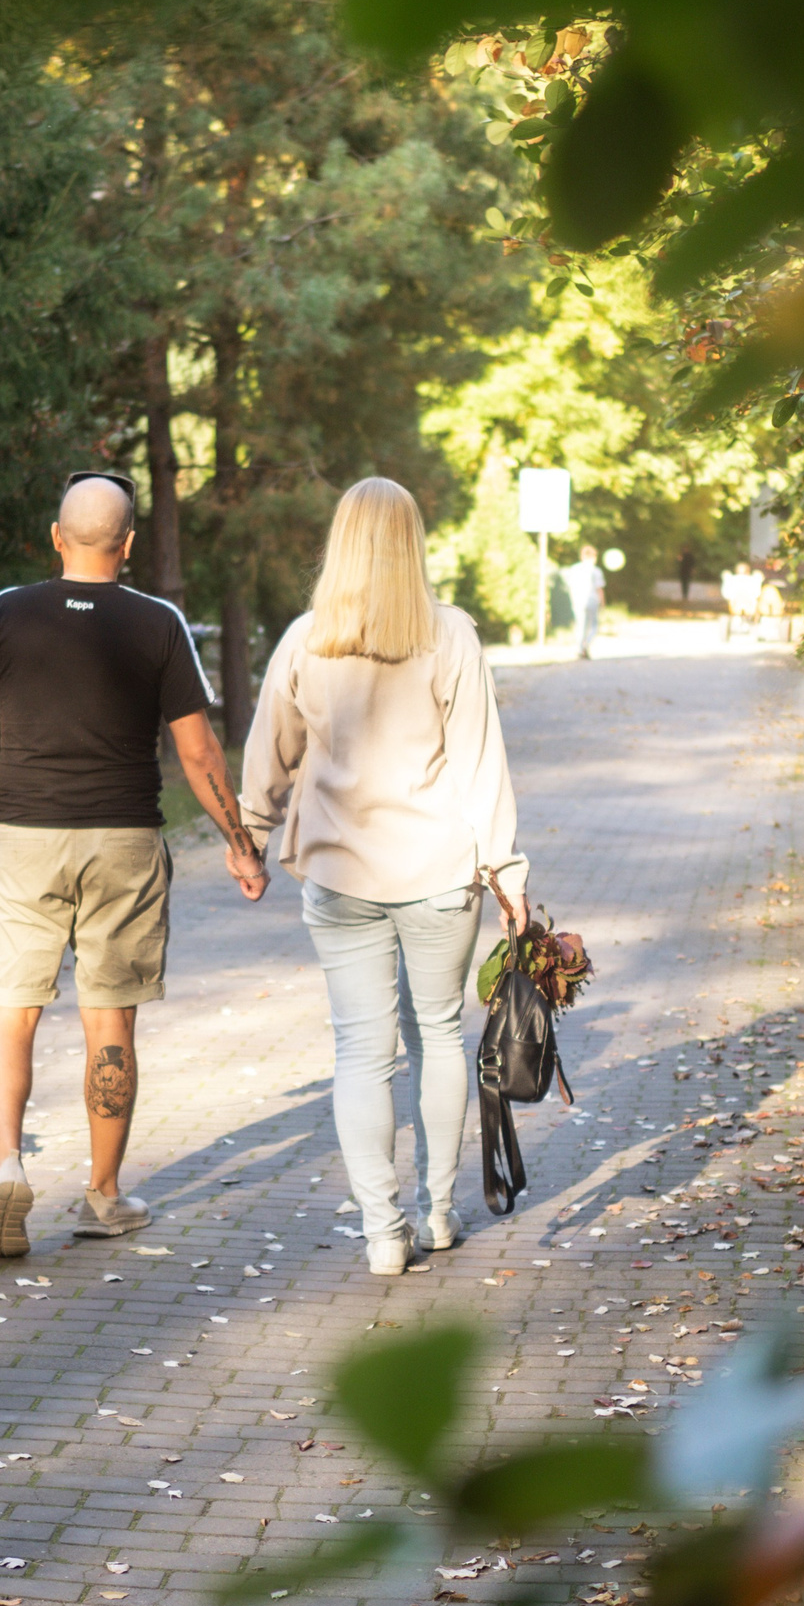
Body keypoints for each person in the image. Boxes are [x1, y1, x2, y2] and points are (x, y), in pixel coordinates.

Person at [0, 472, 268, 1260]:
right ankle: (102, 1196)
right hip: (125, 841)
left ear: (56, 536)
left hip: (24, 839)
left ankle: (7, 1168)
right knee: (110, 1020)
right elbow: (196, 751)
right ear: (127, 547)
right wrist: (239, 841)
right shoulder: (158, 622)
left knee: (10, 1012)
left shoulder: (6, 612)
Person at [238, 477, 529, 1277]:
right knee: (437, 1034)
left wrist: (251, 834)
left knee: (362, 1052)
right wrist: (507, 873)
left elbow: (270, 752)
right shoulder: (451, 637)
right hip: (439, 872)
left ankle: (380, 1232)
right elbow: (480, 765)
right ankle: (436, 1214)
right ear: (412, 543)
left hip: (338, 875)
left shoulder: (306, 639)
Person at [561, 543, 607, 658]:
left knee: (580, 625)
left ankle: (580, 648)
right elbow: (599, 589)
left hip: (578, 600)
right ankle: (586, 644)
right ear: (594, 557)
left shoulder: (574, 569)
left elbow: (570, 586)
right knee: (594, 626)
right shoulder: (596, 571)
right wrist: (602, 602)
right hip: (592, 600)